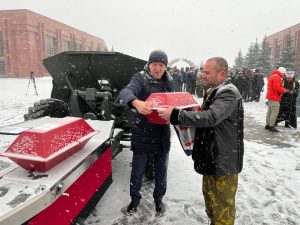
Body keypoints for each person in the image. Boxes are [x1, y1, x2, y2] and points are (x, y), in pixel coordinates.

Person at [158, 57, 244, 225]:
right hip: (214, 158)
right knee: (212, 204)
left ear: (222, 74)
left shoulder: (228, 92)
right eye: (202, 71)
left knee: (222, 211)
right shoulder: (216, 90)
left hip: (224, 162)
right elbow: (210, 117)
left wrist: (177, 115)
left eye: (207, 72)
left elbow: (211, 117)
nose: (202, 75)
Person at [119, 49, 174, 214]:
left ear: (165, 66)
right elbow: (125, 92)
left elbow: (175, 100)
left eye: (161, 65)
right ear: (149, 65)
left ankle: (159, 199)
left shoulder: (170, 81)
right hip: (142, 133)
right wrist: (136, 102)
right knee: (138, 170)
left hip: (162, 134)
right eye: (155, 64)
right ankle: (134, 200)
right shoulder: (140, 78)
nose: (158, 68)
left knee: (161, 171)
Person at [265, 67, 289, 132]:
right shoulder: (277, 77)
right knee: (274, 112)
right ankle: (271, 126)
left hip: (270, 97)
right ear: (282, 72)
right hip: (274, 97)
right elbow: (277, 88)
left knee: (269, 112)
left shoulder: (273, 76)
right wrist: (285, 90)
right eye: (284, 73)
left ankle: (267, 125)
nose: (284, 75)